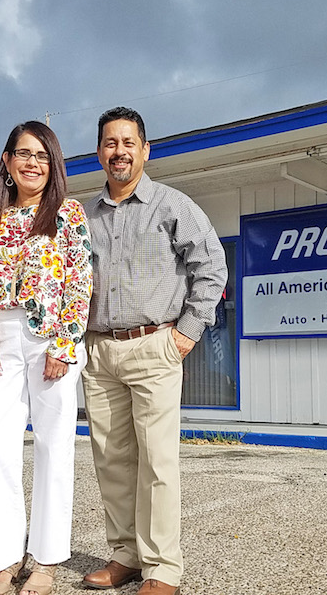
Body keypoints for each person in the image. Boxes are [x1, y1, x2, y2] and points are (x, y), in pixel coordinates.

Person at [80, 107, 227, 595]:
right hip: (100, 353)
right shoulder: (83, 216)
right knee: (111, 460)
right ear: (99, 151)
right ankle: (125, 554)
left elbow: (212, 268)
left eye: (128, 142)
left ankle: (163, 568)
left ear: (145, 150)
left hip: (154, 347)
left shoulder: (172, 206)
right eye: (109, 143)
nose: (118, 151)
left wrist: (186, 333)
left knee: (158, 462)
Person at [0, 121, 92, 595]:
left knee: (52, 445)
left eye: (42, 156)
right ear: (6, 161)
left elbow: (80, 281)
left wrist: (65, 344)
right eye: (23, 154)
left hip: (50, 340)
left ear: (53, 164)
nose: (32, 163)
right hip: (1, 336)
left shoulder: (68, 213)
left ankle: (45, 561)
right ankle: (4, 559)